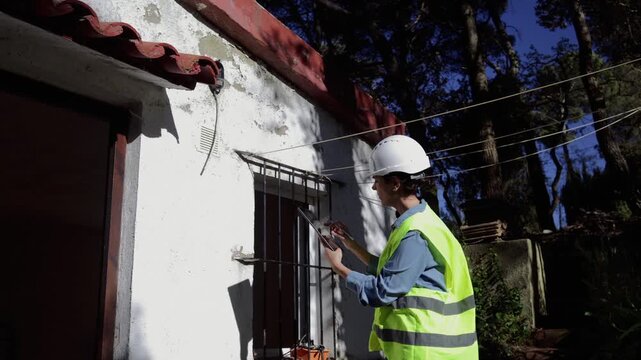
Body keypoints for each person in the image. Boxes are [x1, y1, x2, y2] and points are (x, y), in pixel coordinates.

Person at [323, 135, 478, 359]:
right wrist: (351, 244)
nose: (374, 186)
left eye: (377, 180)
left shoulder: (414, 233)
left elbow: (384, 290)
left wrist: (339, 267)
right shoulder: (421, 221)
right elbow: (394, 271)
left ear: (395, 183)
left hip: (424, 351)